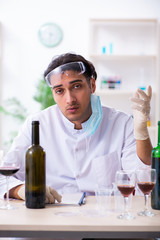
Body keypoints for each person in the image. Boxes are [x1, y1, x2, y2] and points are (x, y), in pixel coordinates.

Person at [0, 52, 152, 203]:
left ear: (92, 85)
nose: (69, 99)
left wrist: (142, 134)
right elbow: (3, 178)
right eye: (59, 90)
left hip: (104, 216)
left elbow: (144, 184)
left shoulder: (121, 123)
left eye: (77, 86)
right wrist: (20, 190)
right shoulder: (36, 124)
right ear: (53, 93)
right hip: (50, 215)